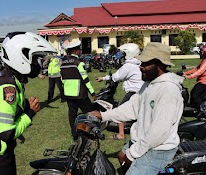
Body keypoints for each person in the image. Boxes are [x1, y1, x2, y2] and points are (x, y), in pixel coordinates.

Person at [89, 42, 184, 175]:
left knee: (126, 161)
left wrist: (132, 154)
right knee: (121, 156)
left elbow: (158, 132)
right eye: (141, 63)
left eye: (146, 64)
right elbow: (131, 107)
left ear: (160, 65)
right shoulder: (149, 84)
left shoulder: (168, 90)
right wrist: (104, 115)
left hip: (158, 149)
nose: (141, 67)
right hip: (144, 141)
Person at [0, 32, 57, 175]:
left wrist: (24, 107)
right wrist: (30, 113)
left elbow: (10, 113)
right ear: (21, 58)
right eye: (35, 58)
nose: (38, 63)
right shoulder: (6, 88)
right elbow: (6, 134)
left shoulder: (12, 80)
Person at [96, 43, 144, 140]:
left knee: (121, 111)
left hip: (133, 93)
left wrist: (103, 78)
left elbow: (116, 77)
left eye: (123, 53)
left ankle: (121, 134)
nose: (122, 55)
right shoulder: (138, 63)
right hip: (141, 92)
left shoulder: (128, 66)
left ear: (129, 53)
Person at [61, 40, 97, 140]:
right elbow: (86, 80)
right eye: (79, 50)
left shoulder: (63, 64)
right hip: (80, 94)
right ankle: (91, 133)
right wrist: (93, 93)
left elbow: (62, 80)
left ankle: (75, 134)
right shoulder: (79, 63)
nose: (81, 51)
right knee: (90, 113)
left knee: (72, 114)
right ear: (76, 51)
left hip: (68, 94)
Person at [184, 45, 206, 110]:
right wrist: (185, 73)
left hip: (204, 82)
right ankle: (194, 108)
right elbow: (196, 69)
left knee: (195, 95)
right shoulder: (203, 60)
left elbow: (200, 71)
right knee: (194, 93)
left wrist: (189, 77)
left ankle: (203, 110)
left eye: (201, 51)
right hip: (201, 82)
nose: (200, 52)